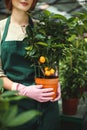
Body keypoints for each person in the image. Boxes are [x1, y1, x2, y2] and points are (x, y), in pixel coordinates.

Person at [0, 0, 61, 130]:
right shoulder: (1, 28)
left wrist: (56, 81)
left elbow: (51, 61)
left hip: (47, 101)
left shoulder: (42, 28)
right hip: (16, 105)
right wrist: (24, 90)